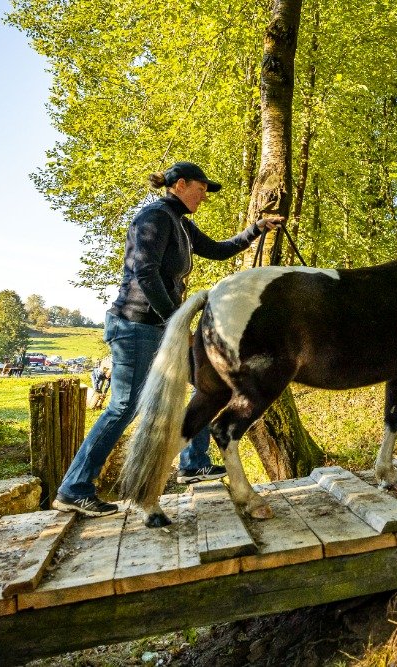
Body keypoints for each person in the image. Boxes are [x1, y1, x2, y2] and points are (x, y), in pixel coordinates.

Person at [54, 161, 277, 517]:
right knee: (123, 407)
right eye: (201, 189)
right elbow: (145, 273)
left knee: (208, 386)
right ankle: (74, 488)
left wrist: (255, 229)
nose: (204, 196)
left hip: (159, 327)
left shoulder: (181, 225)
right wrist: (178, 321)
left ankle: (193, 463)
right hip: (135, 326)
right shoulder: (155, 217)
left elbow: (219, 250)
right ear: (181, 184)